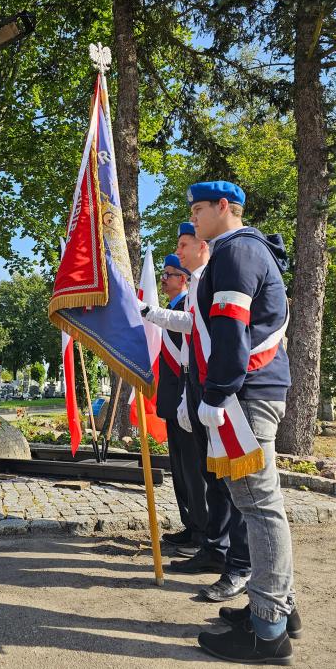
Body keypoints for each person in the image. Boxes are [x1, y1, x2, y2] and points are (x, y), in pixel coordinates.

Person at [186, 180, 298, 665]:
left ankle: (268, 629)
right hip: (254, 389)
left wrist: (218, 390)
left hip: (246, 392)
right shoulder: (249, 251)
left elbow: (232, 326)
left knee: (258, 503)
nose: (192, 218)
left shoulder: (234, 252)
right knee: (255, 501)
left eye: (198, 209)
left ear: (224, 207)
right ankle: (276, 606)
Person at [141, 223, 251, 603]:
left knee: (231, 483)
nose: (180, 253)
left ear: (202, 246)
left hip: (220, 392)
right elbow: (190, 327)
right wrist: (148, 312)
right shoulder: (203, 283)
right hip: (199, 389)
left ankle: (240, 564)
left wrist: (211, 394)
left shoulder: (216, 278)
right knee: (211, 474)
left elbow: (228, 336)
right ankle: (215, 548)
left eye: (185, 245)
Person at [142, 251, 207, 555]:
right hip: (172, 401)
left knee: (194, 469)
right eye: (164, 274)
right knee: (180, 470)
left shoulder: (186, 308)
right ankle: (191, 525)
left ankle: (204, 531)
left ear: (183, 279)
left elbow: (187, 360)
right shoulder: (172, 308)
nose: (163, 279)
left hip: (186, 400)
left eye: (169, 274)